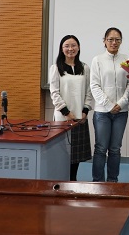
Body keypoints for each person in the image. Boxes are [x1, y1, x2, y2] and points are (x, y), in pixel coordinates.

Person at [90, 27, 129, 182]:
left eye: (117, 39)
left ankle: (113, 182)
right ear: (104, 41)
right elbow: (94, 86)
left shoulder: (127, 60)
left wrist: (121, 103)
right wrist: (108, 105)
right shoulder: (97, 60)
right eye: (110, 39)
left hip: (121, 112)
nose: (114, 42)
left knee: (115, 149)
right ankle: (98, 182)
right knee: (101, 148)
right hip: (102, 112)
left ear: (121, 41)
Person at [49, 35, 93, 181]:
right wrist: (66, 112)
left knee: (76, 153)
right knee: (62, 152)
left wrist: (85, 110)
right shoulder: (56, 68)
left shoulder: (85, 68)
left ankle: (73, 180)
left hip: (80, 117)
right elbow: (54, 93)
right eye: (66, 46)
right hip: (63, 118)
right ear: (62, 49)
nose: (70, 49)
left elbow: (88, 91)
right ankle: (61, 180)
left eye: (73, 45)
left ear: (78, 48)